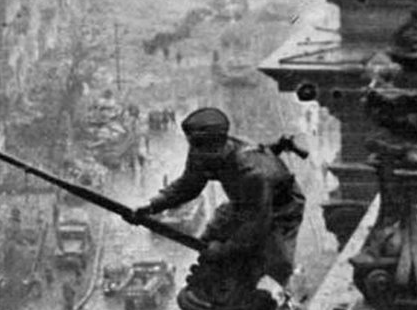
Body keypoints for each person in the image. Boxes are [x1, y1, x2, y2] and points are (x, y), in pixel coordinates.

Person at [131, 107, 306, 287]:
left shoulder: (250, 171)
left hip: (280, 208)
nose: (196, 154)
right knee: (208, 243)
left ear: (218, 144)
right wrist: (151, 206)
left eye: (200, 146)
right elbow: (188, 185)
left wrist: (224, 249)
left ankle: (277, 303)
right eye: (193, 145)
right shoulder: (202, 150)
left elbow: (256, 223)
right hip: (244, 202)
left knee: (272, 269)